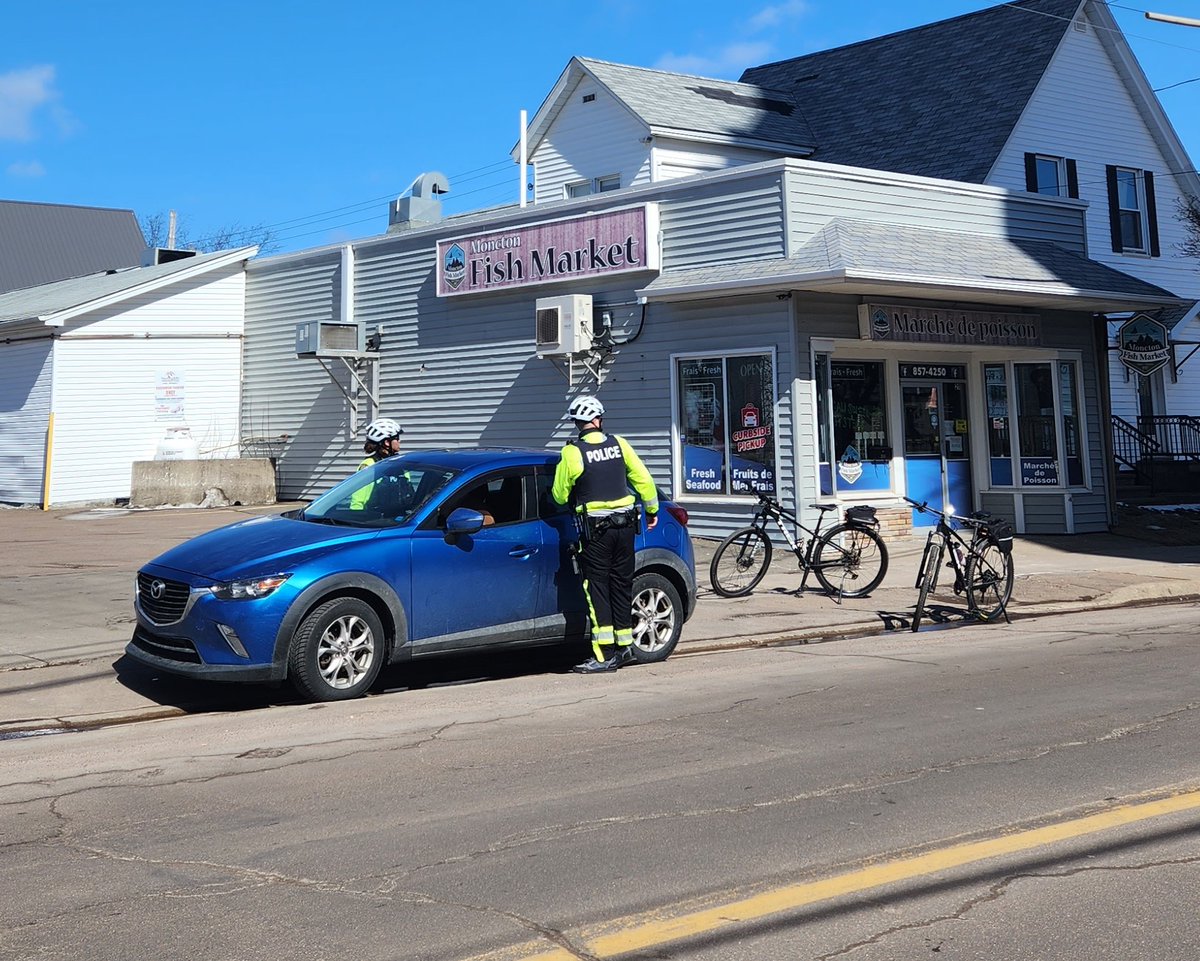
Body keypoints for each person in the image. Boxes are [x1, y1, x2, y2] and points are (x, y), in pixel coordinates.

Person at [552, 394, 659, 674]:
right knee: (621, 585)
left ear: (578, 423)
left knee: (597, 589)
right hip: (625, 528)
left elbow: (559, 495)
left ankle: (604, 657)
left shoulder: (573, 452)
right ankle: (625, 648)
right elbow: (644, 480)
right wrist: (652, 509)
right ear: (599, 420)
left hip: (596, 532)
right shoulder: (619, 445)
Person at [350, 417, 404, 510]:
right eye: (397, 438)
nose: (400, 441)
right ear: (387, 442)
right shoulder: (370, 465)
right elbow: (358, 502)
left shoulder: (400, 464)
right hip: (376, 520)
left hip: (400, 520)